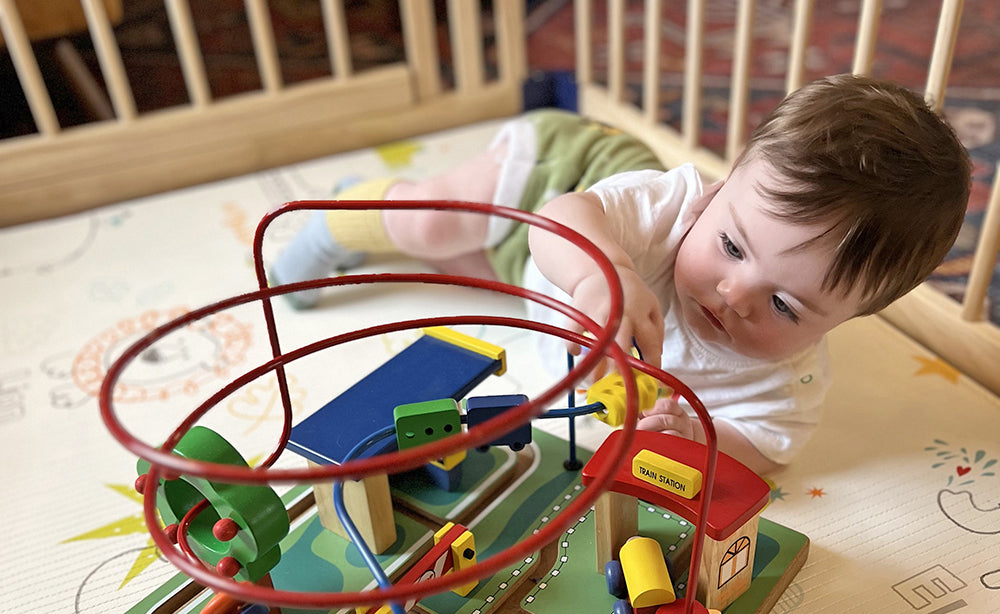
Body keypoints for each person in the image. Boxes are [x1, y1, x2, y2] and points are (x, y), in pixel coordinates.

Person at [270, 75, 970, 475]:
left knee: (471, 267)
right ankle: (353, 212)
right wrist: (604, 272)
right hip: (556, 182)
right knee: (434, 224)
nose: (734, 294)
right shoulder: (670, 206)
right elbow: (561, 218)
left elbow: (764, 445)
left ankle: (456, 247)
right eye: (730, 244)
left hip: (530, 276)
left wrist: (700, 438)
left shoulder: (784, 382)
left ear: (849, 320)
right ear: (717, 191)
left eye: (786, 306)